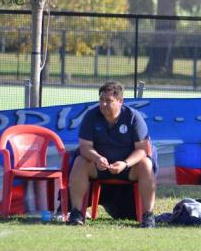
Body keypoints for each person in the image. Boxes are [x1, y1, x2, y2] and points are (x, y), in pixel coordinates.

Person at [67, 81, 157, 227]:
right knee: (80, 162)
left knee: (146, 164)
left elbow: (142, 149)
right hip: (99, 168)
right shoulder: (91, 116)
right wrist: (97, 158)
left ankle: (148, 216)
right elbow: (84, 147)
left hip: (128, 169)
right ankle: (76, 213)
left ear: (121, 101)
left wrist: (125, 163)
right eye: (101, 100)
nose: (103, 104)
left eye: (108, 101)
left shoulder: (133, 117)